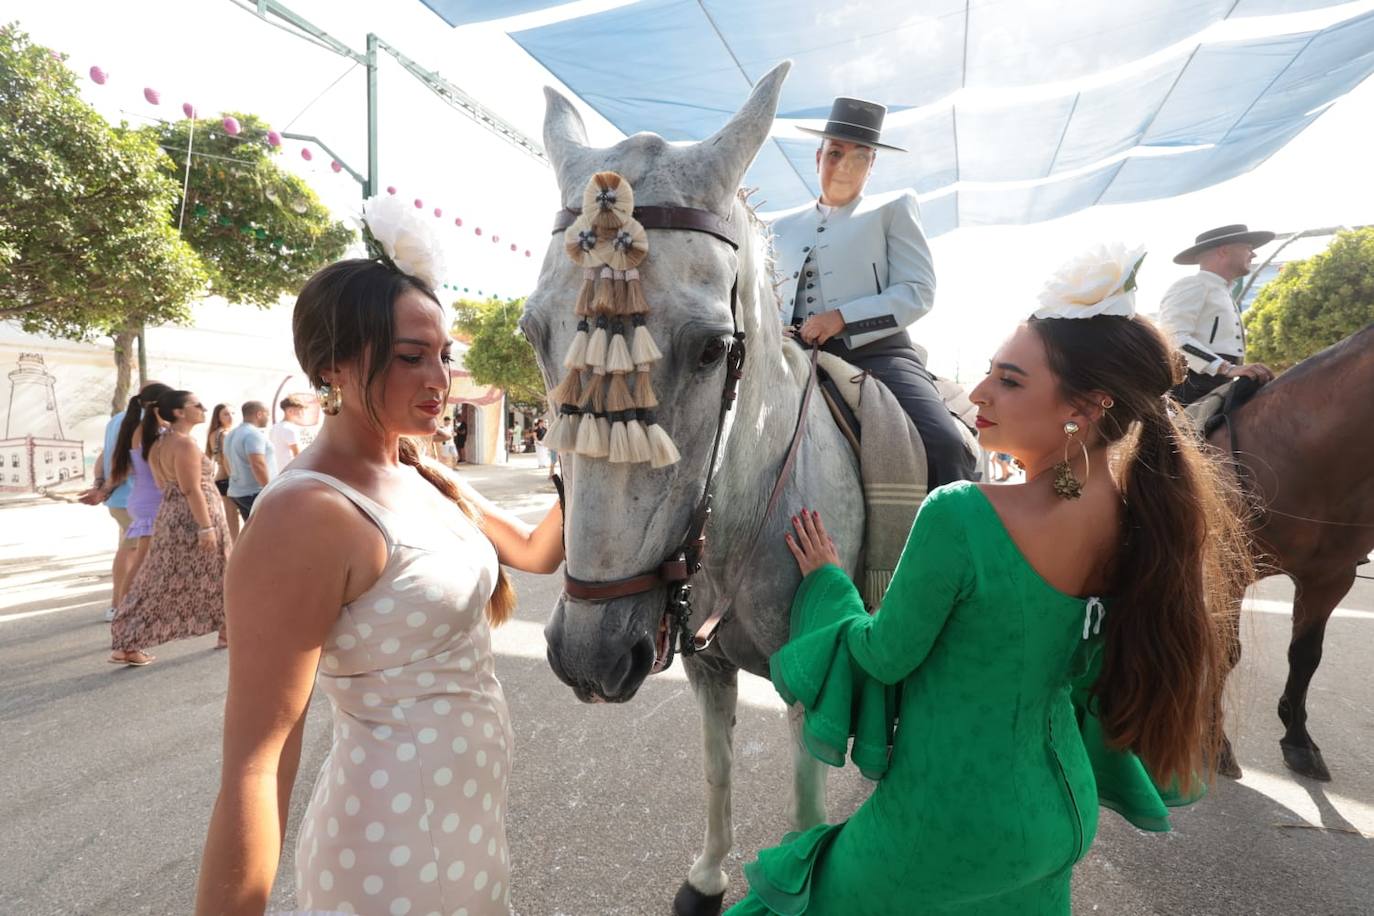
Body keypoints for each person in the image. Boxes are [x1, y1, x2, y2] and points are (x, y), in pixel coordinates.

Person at [728, 247, 1253, 914]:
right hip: (1059, 818)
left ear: (1085, 409)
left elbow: (883, 653)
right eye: (988, 373)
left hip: (943, 826)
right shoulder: (1142, 525)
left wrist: (830, 584)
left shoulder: (962, 513)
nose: (976, 394)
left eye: (1009, 380)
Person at [196, 250, 564, 915]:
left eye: (444, 355)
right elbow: (258, 762)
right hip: (392, 853)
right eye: (409, 357)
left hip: (467, 834)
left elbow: (538, 553)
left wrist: (604, 432)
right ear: (332, 367)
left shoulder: (420, 473)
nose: (441, 378)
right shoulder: (306, 513)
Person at [768, 96, 976, 487]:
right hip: (790, 352)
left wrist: (841, 319)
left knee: (945, 444)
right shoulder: (779, 225)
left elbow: (918, 291)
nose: (844, 166)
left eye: (859, 157)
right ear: (818, 158)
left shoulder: (893, 208)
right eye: (835, 154)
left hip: (876, 353)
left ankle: (951, 537)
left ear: (872, 165)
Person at [109, 390, 231, 666]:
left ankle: (227, 630)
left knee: (168, 577)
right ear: (178, 412)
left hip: (172, 513)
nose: (203, 408)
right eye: (196, 405)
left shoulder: (158, 443)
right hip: (194, 515)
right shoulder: (183, 444)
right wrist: (206, 527)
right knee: (214, 571)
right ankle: (128, 639)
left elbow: (167, 486)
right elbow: (190, 489)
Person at [78, 381, 168, 622]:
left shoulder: (118, 419)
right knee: (137, 553)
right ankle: (123, 608)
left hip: (122, 499)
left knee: (128, 550)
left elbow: (106, 455)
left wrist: (100, 485)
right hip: (134, 498)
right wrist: (103, 489)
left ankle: (120, 605)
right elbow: (127, 463)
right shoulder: (145, 423)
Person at [1158, 224, 1277, 405]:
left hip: (1218, 383)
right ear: (1224, 251)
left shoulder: (1222, 291)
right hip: (1191, 388)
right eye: (1248, 249)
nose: (1253, 255)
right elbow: (1173, 337)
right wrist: (1225, 368)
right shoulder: (1194, 284)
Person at [224, 401, 275, 521]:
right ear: (259, 414)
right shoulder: (253, 434)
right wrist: (268, 490)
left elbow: (226, 463)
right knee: (269, 532)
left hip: (238, 492)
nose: (269, 418)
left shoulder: (231, 434)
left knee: (255, 534)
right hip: (255, 493)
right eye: (267, 414)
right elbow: (258, 464)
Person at [205, 403, 240, 542]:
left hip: (221, 478)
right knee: (233, 518)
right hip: (228, 478)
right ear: (218, 417)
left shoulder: (214, 433)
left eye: (232, 413)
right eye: (226, 414)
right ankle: (235, 549)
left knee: (231, 516)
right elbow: (226, 459)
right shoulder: (225, 434)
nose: (230, 417)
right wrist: (234, 478)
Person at [268, 395, 309, 470]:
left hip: (280, 473)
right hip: (292, 473)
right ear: (290, 411)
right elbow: (298, 456)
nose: (302, 413)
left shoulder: (274, 428)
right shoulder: (289, 429)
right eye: (300, 410)